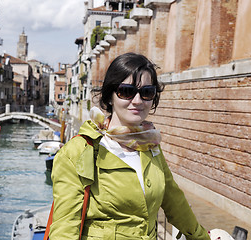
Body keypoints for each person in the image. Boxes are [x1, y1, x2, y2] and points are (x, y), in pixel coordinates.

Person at [49, 52, 210, 240]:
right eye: (126, 91)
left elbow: (175, 202)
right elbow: (64, 230)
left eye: (147, 92)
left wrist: (201, 237)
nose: (138, 101)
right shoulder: (78, 151)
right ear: (110, 97)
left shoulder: (150, 146)